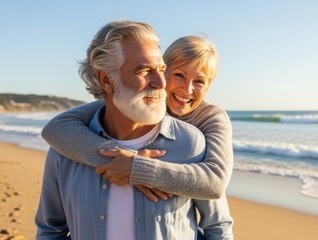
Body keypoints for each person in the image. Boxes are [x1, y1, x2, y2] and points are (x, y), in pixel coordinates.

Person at [35, 20, 233, 239]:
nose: (161, 83)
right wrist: (114, 157)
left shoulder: (198, 136)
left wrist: (137, 169)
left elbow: (216, 201)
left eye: (200, 81)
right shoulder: (68, 146)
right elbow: (50, 230)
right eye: (146, 71)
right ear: (106, 81)